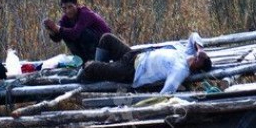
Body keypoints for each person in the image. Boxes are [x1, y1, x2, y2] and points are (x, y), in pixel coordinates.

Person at [79, 31, 212, 94]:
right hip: (135, 55)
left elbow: (168, 90)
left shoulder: (181, 70)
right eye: (200, 56)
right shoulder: (188, 52)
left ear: (198, 68)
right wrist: (200, 49)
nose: (199, 58)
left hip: (132, 71)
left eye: (201, 61)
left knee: (91, 67)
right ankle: (100, 76)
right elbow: (194, 35)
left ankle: (85, 75)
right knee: (106, 38)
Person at [42, 0, 112, 62]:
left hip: (105, 48)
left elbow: (75, 33)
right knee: (65, 33)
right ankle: (82, 62)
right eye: (64, 8)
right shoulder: (65, 18)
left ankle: (93, 62)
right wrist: (52, 31)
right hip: (92, 48)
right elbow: (58, 38)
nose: (67, 11)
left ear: (76, 5)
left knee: (83, 33)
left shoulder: (85, 14)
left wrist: (57, 28)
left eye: (70, 7)